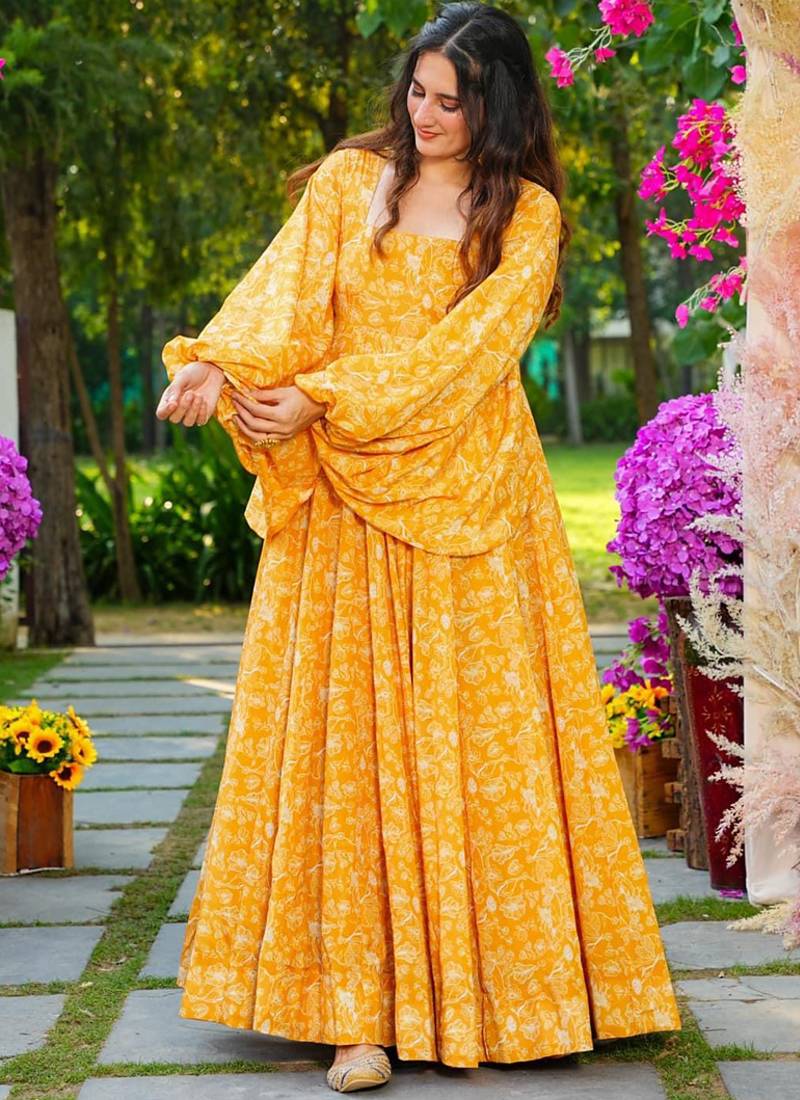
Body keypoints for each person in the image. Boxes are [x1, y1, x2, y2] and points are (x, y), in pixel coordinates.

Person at [155, 2, 682, 1093]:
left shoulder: (526, 216)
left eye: (452, 101)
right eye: (417, 90)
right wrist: (216, 362)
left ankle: (507, 995)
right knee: (344, 750)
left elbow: (467, 355)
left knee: (477, 744)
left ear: (499, 107)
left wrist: (323, 395)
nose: (426, 114)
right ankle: (353, 1014)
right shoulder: (354, 182)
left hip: (471, 497)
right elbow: (285, 293)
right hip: (344, 500)